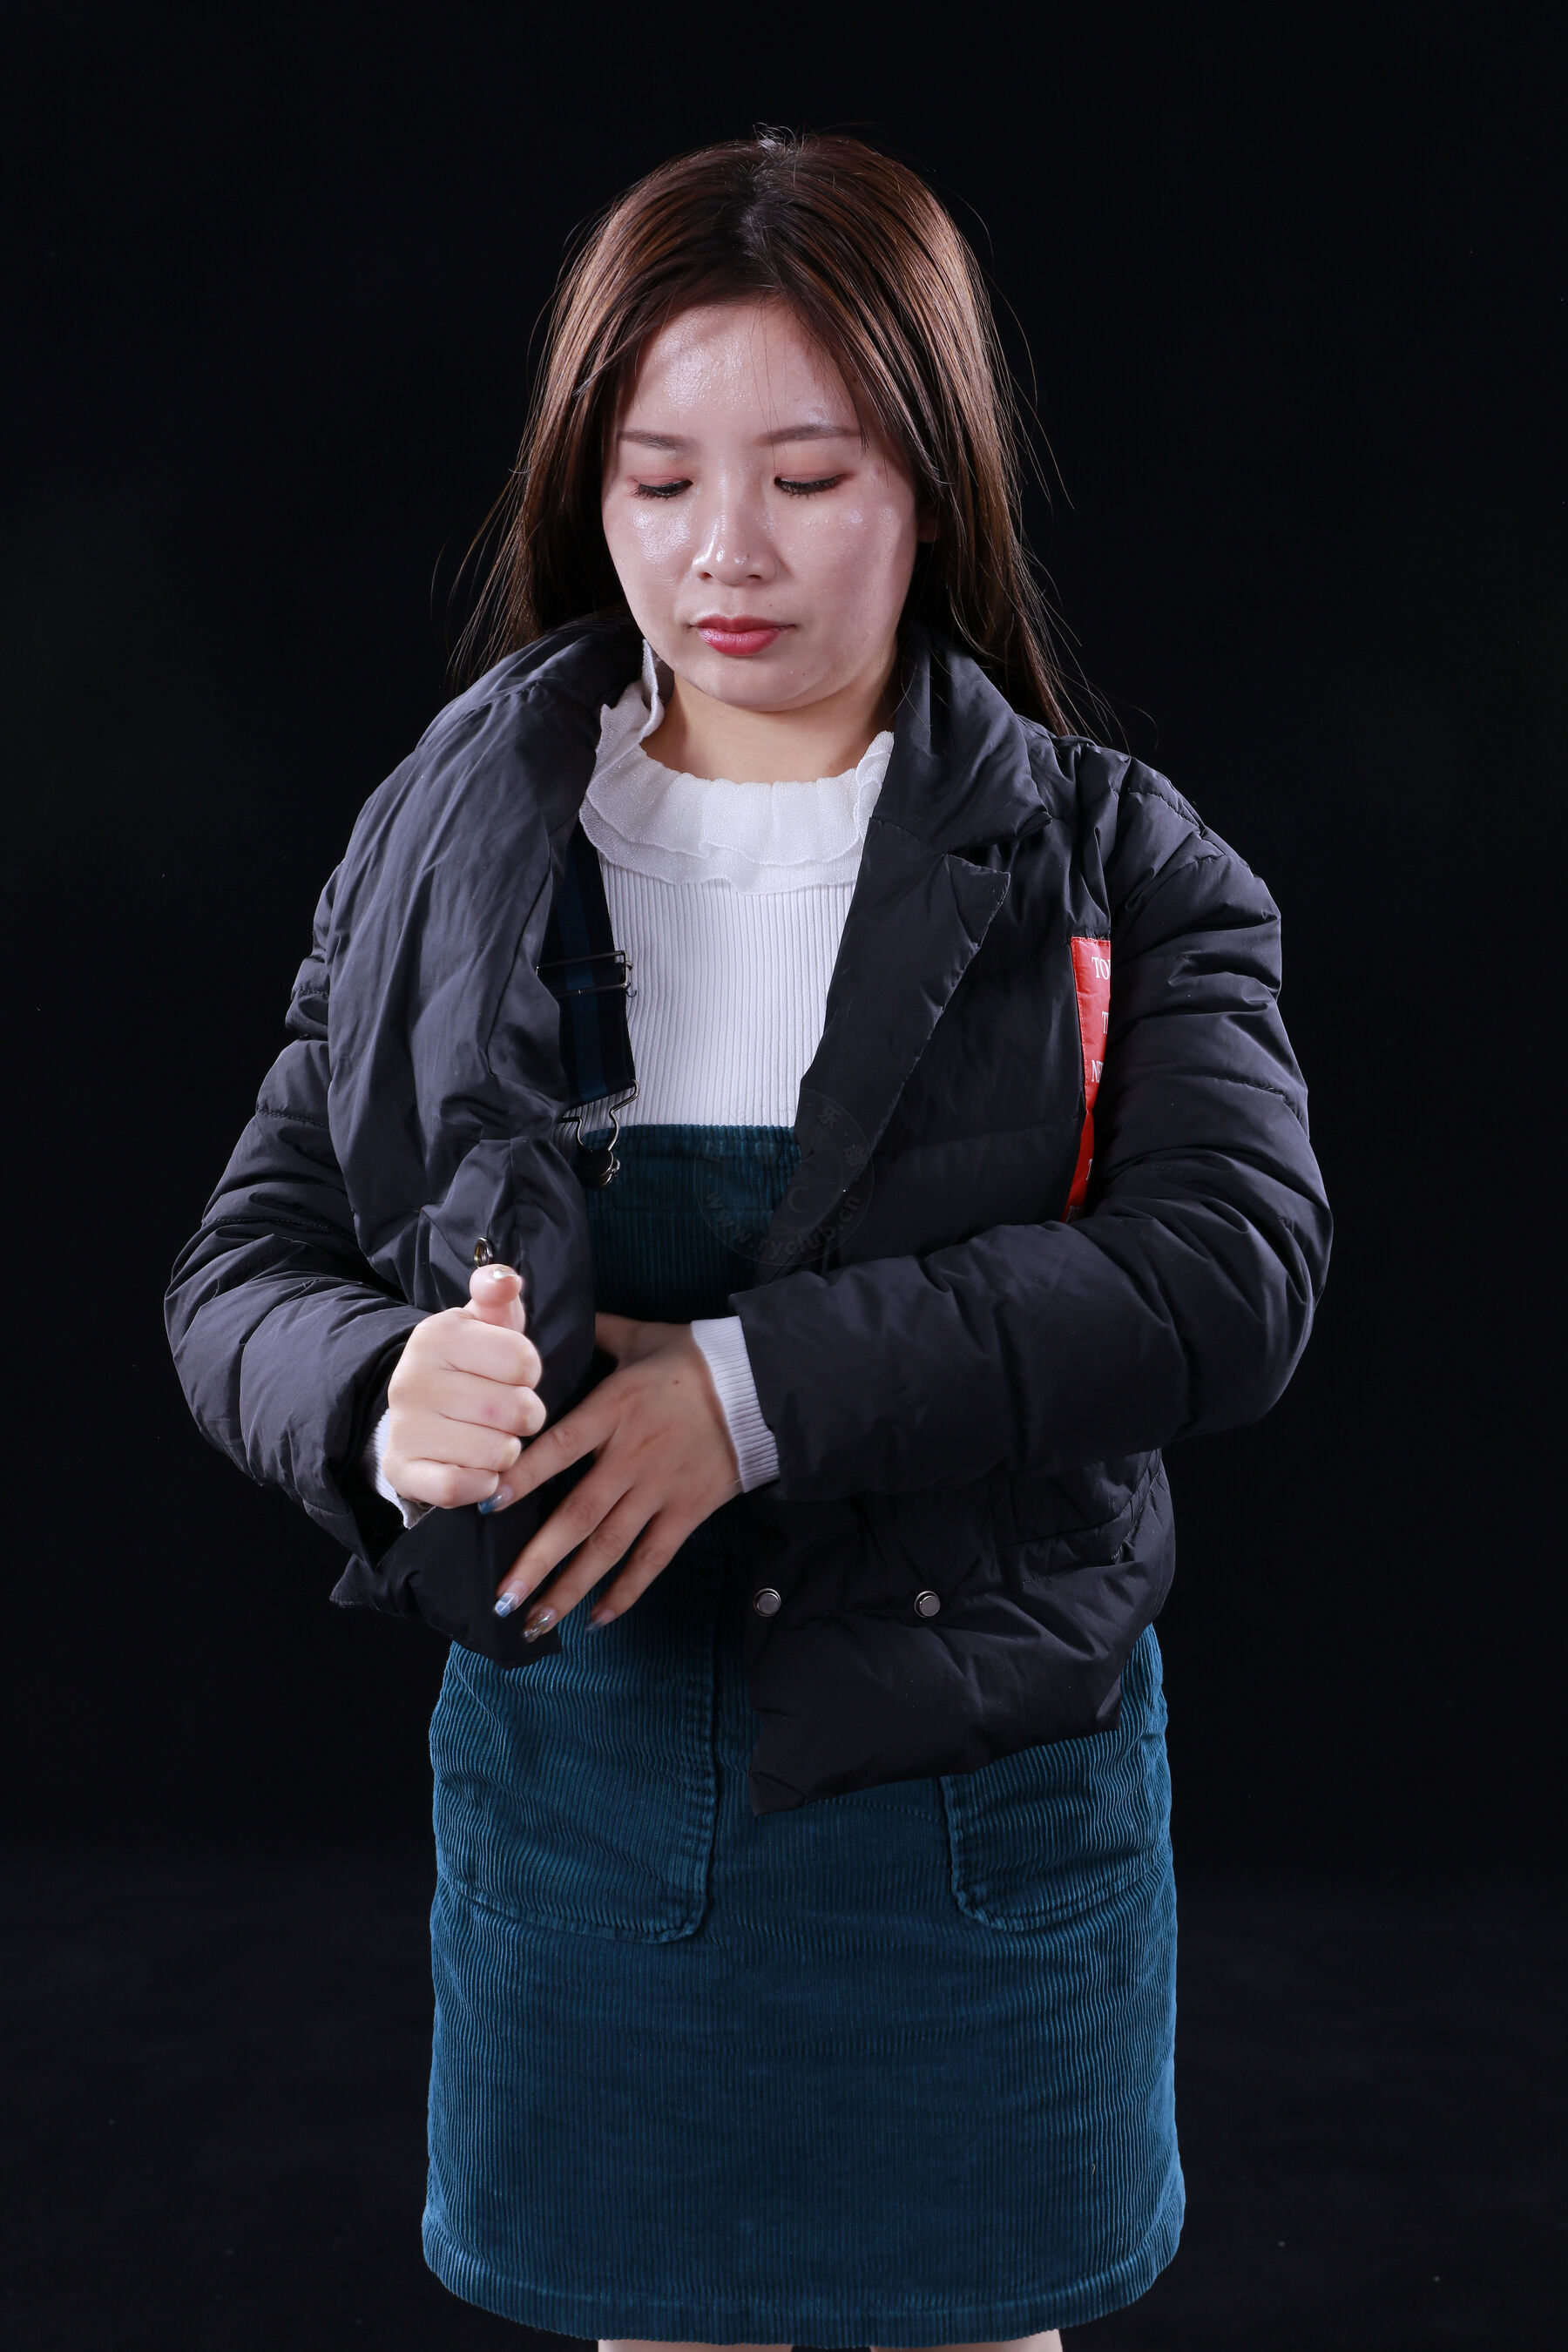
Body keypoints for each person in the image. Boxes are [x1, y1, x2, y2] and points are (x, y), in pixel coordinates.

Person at [166, 130, 1331, 2351]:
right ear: (584, 490)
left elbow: (1232, 1269)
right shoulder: (447, 852)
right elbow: (245, 1267)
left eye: (809, 478)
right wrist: (380, 1392)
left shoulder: (1119, 862)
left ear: (937, 486)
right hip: (597, 1813)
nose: (726, 552)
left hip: (979, 1819)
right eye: (658, 478)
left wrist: (748, 1392)